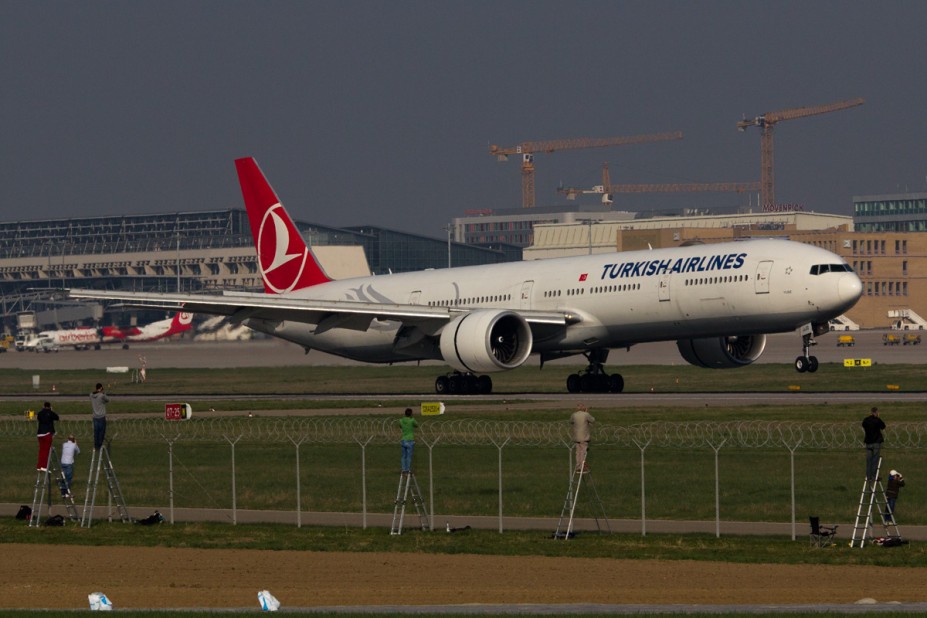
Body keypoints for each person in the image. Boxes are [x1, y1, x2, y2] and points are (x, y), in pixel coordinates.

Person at [862, 406, 885, 481]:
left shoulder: (866, 420)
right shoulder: (877, 420)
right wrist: (878, 418)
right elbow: (883, 426)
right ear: (876, 412)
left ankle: (868, 476)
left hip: (868, 442)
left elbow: (863, 425)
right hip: (876, 442)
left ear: (871, 412)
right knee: (875, 460)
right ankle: (874, 476)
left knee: (868, 460)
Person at [570, 403, 595, 473]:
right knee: (583, 452)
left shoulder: (574, 415)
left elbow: (571, 421)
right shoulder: (586, 414)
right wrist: (587, 412)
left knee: (578, 452)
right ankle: (582, 467)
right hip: (584, 437)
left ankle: (578, 466)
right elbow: (593, 420)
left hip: (576, 437)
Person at [35, 401, 59, 471]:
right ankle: (44, 466)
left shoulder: (40, 413)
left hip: (40, 434)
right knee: (46, 450)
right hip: (47, 433)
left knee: (41, 450)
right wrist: (51, 411)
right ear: (50, 406)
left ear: (43, 406)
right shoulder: (50, 413)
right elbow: (57, 417)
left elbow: (39, 418)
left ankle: (39, 466)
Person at [90, 383, 110, 450]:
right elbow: (108, 400)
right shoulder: (102, 396)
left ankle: (96, 446)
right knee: (101, 432)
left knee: (96, 433)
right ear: (101, 388)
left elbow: (93, 394)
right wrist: (104, 393)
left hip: (95, 417)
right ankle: (100, 445)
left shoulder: (91, 395)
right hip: (101, 417)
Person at [399, 407, 418, 474]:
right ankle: (408, 469)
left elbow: (400, 426)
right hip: (410, 440)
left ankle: (403, 469)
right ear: (411, 414)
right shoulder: (412, 420)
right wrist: (412, 419)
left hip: (403, 440)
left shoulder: (401, 420)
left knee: (403, 456)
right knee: (409, 456)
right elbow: (416, 425)